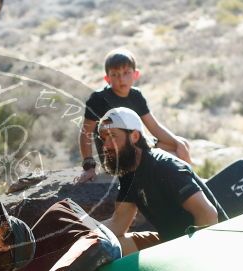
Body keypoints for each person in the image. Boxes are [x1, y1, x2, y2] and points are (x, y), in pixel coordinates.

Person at [97, 107, 226, 255]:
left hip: (208, 247)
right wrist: (84, 234)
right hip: (172, 243)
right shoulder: (128, 174)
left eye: (112, 136)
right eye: (104, 138)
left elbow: (208, 215)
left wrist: (193, 258)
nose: (106, 146)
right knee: (107, 247)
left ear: (134, 136)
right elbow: (118, 223)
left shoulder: (165, 166)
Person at [78, 48, 192, 183]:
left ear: (135, 74)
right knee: (172, 154)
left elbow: (154, 127)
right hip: (115, 154)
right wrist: (89, 166)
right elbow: (86, 133)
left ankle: (191, 185)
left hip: (135, 146)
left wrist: (177, 143)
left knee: (181, 144)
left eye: (126, 73)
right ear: (107, 78)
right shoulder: (98, 99)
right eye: (115, 75)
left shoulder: (136, 96)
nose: (121, 79)